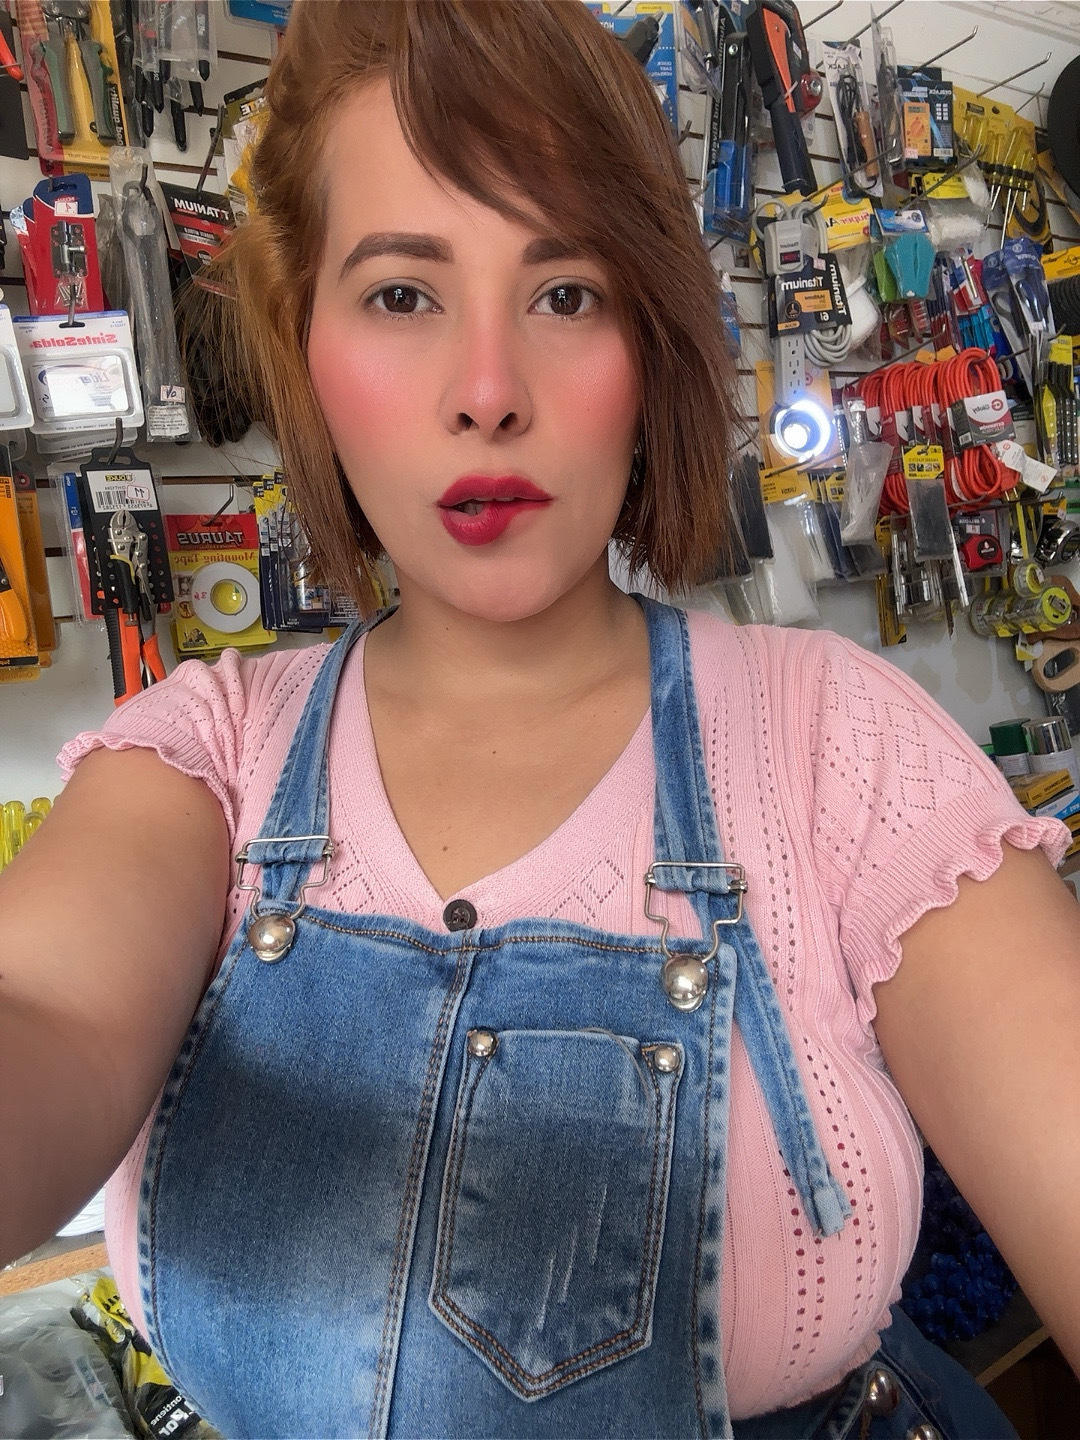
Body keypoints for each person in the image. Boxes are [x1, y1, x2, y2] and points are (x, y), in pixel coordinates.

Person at [2, 3, 1078, 1437]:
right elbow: (49, 1017)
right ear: (305, 343)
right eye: (402, 294)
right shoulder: (201, 760)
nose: (489, 394)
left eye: (566, 293)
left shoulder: (835, 744)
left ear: (651, 340)